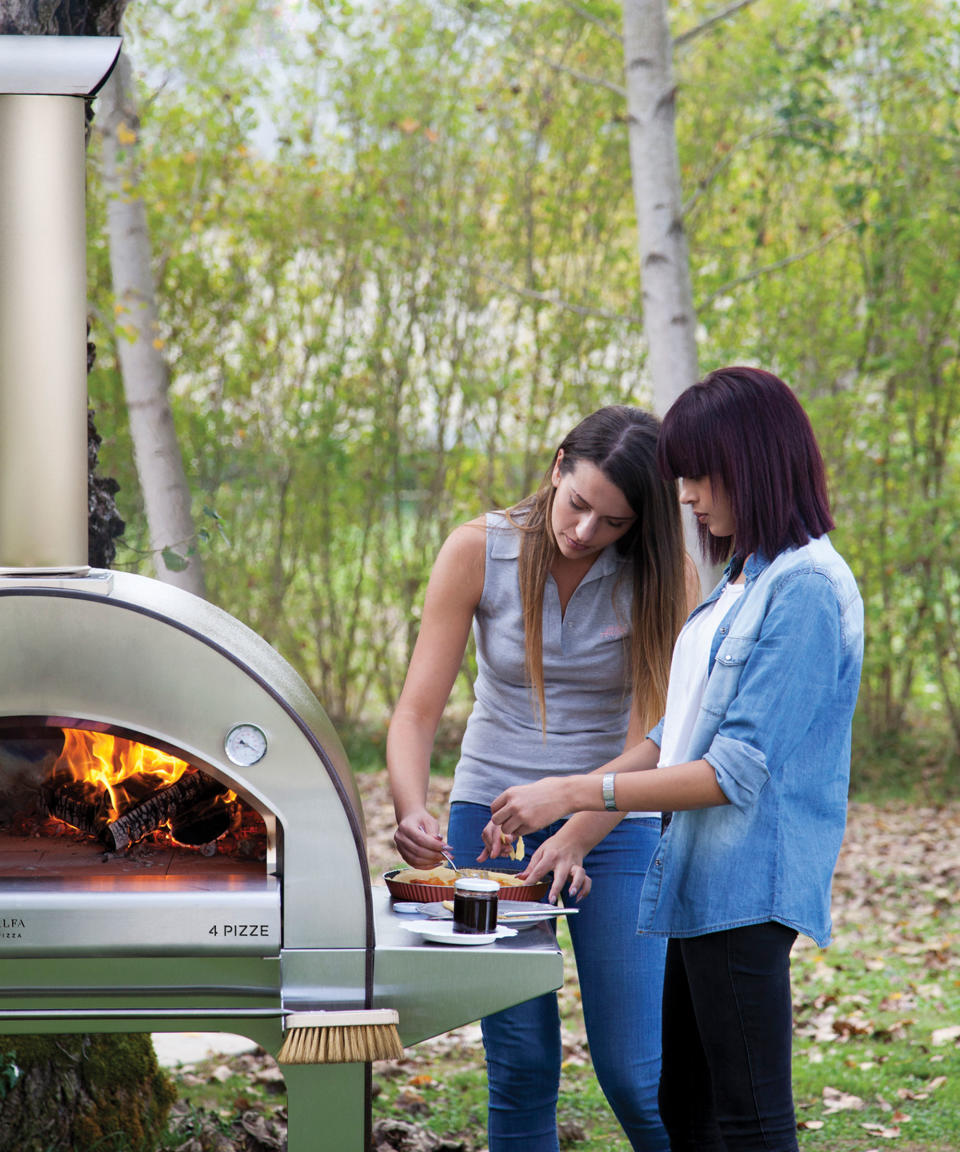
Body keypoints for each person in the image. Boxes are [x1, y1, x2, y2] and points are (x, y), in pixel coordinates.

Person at [487, 366, 864, 1152]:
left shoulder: (805, 592)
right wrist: (576, 814)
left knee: (751, 1121)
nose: (688, 495)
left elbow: (732, 771)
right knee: (687, 1108)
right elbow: (674, 732)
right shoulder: (740, 582)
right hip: (695, 884)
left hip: (746, 891)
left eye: (700, 475)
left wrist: (576, 789)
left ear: (753, 463)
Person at [387, 405, 696, 1152]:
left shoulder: (666, 574)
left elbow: (655, 740)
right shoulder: (477, 549)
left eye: (613, 523)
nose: (586, 531)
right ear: (558, 466)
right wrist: (410, 808)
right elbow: (417, 710)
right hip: (490, 822)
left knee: (636, 1075)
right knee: (521, 1064)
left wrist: (577, 834)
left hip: (618, 825)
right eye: (578, 504)